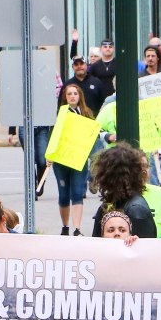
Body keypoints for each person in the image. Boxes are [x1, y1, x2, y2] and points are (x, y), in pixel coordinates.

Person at [54, 84, 95, 236]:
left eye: (75, 93)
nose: (72, 96)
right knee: (64, 194)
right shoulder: (60, 114)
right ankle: (65, 226)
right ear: (65, 96)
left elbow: (92, 133)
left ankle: (77, 228)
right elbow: (53, 135)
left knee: (77, 192)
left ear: (79, 96)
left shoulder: (86, 113)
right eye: (69, 94)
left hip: (79, 158)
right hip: (61, 159)